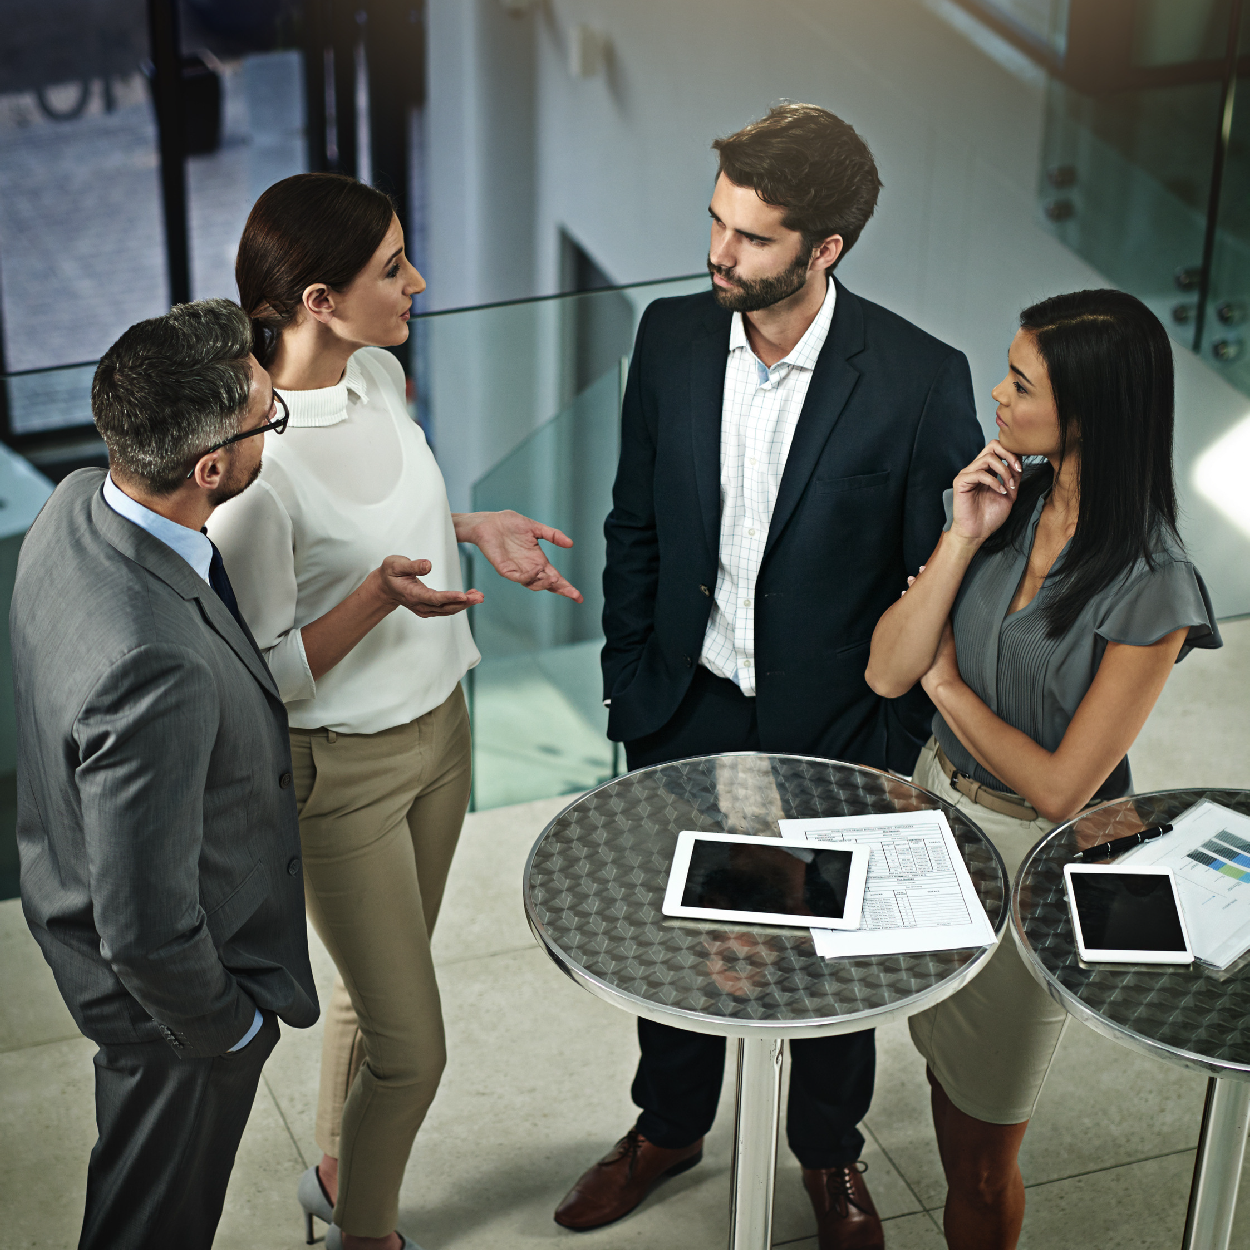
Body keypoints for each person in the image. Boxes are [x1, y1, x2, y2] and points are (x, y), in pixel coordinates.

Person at [557, 104, 983, 1250]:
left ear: (823, 249)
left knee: (828, 965)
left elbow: (931, 580)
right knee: (682, 939)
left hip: (837, 729)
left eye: (750, 238)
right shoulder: (671, 335)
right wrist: (627, 678)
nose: (718, 253)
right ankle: (667, 1127)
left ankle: (830, 1156)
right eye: (715, 222)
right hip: (683, 708)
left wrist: (891, 746)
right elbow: (633, 521)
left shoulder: (915, 379)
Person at [206, 172, 582, 1250]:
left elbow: (382, 517)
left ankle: (336, 1164)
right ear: (316, 299)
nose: (417, 281)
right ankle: (366, 1232)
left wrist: (471, 524)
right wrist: (378, 596)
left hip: (441, 736)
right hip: (344, 776)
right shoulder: (254, 468)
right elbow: (265, 672)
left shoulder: (380, 375)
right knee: (414, 1047)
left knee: (384, 996)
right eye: (391, 269)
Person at [864, 288, 1221, 1249]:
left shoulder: (1155, 584)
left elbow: (1065, 789)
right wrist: (963, 532)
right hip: (938, 817)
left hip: (1040, 865)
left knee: (984, 1157)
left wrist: (948, 690)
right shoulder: (1004, 499)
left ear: (1089, 412)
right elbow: (887, 666)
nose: (996, 394)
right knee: (944, 1078)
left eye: (1020, 383)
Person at [11, 299, 319, 1250]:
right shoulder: (153, 660)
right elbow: (143, 925)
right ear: (212, 468)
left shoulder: (73, 505)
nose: (276, 427)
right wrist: (227, 1032)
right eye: (269, 418)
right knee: (154, 1225)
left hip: (72, 902)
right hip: (172, 1015)